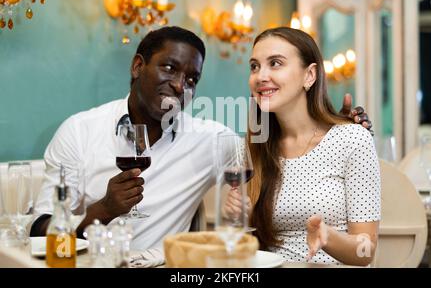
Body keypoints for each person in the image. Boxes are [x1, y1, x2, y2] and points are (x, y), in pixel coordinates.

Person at [31, 26, 372, 251]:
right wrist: (101, 211)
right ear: (137, 66)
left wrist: (342, 128)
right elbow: (37, 232)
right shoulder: (79, 132)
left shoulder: (213, 142)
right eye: (169, 69)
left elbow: (278, 148)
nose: (181, 86)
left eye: (192, 78)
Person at [225, 27, 380, 266]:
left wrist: (328, 236)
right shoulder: (255, 146)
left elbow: (366, 250)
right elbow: (253, 248)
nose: (260, 76)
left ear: (310, 75)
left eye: (275, 63)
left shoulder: (352, 139)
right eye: (254, 66)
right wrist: (241, 219)